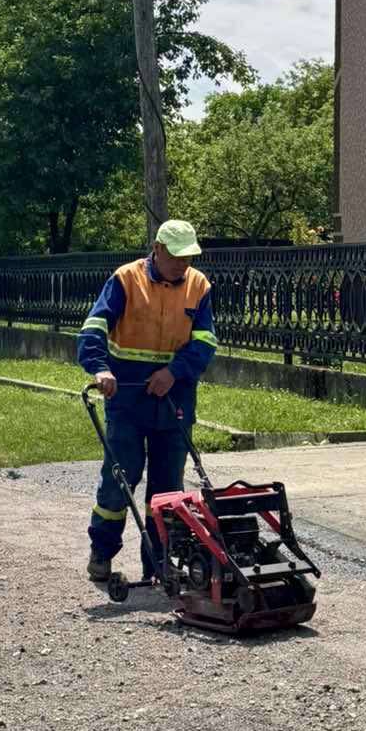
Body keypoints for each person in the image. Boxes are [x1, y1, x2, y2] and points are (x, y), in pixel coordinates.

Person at [77, 219, 217, 582]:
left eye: (188, 257)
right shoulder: (126, 279)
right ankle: (102, 552)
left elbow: (205, 342)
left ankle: (160, 561)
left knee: (168, 488)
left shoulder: (199, 286)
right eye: (176, 256)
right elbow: (94, 327)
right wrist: (100, 369)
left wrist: (173, 372)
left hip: (175, 396)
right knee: (119, 479)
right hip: (127, 397)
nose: (183, 264)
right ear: (157, 249)